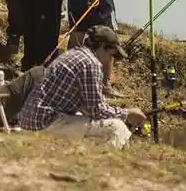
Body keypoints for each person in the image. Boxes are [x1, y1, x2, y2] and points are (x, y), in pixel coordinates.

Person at [17, 25, 146, 148]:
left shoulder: (73, 54)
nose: (109, 60)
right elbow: (96, 110)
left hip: (30, 119)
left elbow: (86, 106)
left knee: (88, 120)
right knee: (117, 127)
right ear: (102, 47)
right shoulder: (91, 64)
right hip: (45, 122)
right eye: (111, 55)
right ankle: (104, 164)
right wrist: (127, 113)